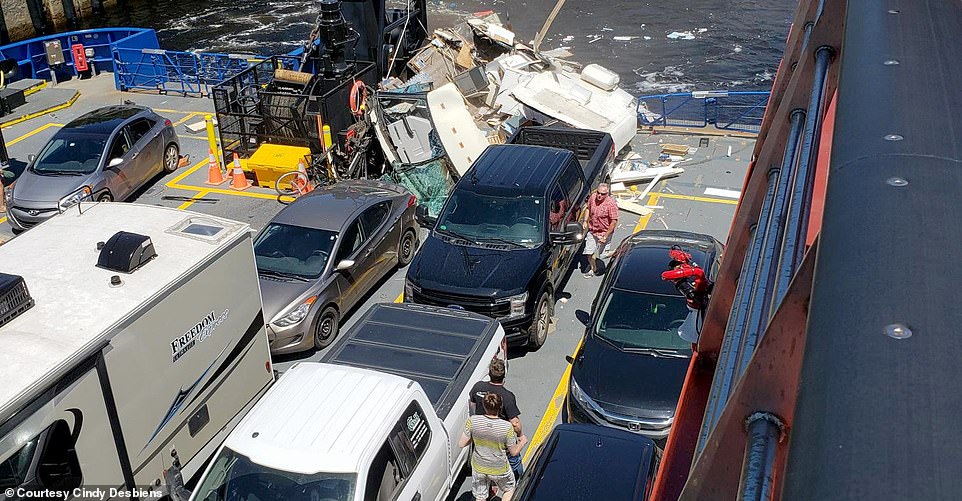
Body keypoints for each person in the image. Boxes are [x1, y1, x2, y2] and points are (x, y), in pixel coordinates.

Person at [459, 393, 527, 501]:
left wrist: (476, 437)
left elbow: (462, 443)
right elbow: (513, 452)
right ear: (500, 408)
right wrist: (522, 442)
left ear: (484, 406)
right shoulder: (507, 427)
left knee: (480, 497)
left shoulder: (473, 420)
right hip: (499, 468)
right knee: (509, 489)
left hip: (479, 466)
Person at [469, 359, 525, 479]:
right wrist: (521, 436)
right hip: (501, 439)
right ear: (504, 376)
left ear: (489, 374)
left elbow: (472, 406)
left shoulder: (478, 387)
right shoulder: (507, 396)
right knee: (514, 462)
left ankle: (490, 487)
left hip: (481, 437)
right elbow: (515, 423)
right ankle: (520, 482)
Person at [582, 182, 619, 277]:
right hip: (593, 230)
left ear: (607, 194)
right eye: (598, 193)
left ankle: (617, 252)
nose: (599, 195)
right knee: (589, 252)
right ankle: (594, 269)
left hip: (604, 232)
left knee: (603, 255)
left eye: (602, 194)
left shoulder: (611, 204)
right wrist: (585, 221)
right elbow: (588, 209)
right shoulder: (593, 197)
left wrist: (605, 236)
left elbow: (613, 222)